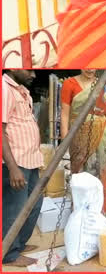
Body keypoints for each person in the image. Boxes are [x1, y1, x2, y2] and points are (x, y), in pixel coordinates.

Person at [60, 70, 106, 215]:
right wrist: (64, 141)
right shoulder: (70, 84)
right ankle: (80, 213)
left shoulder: (104, 86)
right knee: (80, 172)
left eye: (94, 66)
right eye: (87, 65)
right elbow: (64, 113)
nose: (90, 69)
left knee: (102, 171)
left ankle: (103, 210)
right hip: (79, 134)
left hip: (103, 135)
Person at [2, 70, 42, 267]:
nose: (33, 75)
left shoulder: (21, 90)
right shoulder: (4, 88)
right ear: (13, 66)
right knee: (14, 209)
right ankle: (9, 253)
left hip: (31, 159)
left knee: (34, 204)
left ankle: (18, 244)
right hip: (16, 162)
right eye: (29, 69)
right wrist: (12, 167)